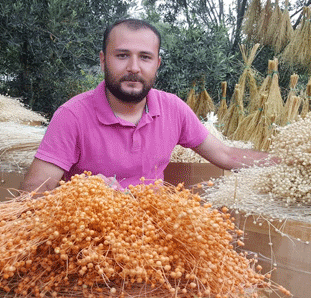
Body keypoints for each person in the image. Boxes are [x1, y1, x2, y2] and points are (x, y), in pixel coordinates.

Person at [21, 18, 278, 193]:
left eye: (145, 57)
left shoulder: (173, 109)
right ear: (103, 61)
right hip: (92, 242)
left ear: (157, 64)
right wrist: (85, 193)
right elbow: (33, 193)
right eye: (122, 55)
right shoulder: (73, 116)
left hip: (153, 234)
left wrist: (287, 162)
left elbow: (225, 155)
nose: (134, 68)